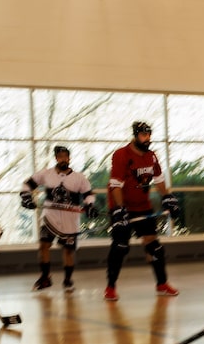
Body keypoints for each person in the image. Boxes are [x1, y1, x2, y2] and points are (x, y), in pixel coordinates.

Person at [104, 121, 181, 301]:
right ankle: (110, 287)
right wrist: (120, 210)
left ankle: (162, 284)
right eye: (143, 135)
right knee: (120, 246)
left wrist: (167, 198)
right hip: (120, 204)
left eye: (149, 135)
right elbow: (115, 185)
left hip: (142, 206)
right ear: (135, 135)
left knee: (154, 246)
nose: (147, 139)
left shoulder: (151, 156)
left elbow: (159, 179)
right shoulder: (121, 155)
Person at [21, 145, 98, 292]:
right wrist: (26, 197)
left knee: (68, 251)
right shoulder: (47, 174)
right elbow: (28, 184)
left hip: (70, 220)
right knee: (44, 245)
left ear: (69, 158)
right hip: (50, 217)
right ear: (56, 158)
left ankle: (68, 280)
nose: (63, 159)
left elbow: (89, 194)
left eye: (66, 156)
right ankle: (45, 277)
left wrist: (90, 206)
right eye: (60, 156)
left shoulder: (79, 178)